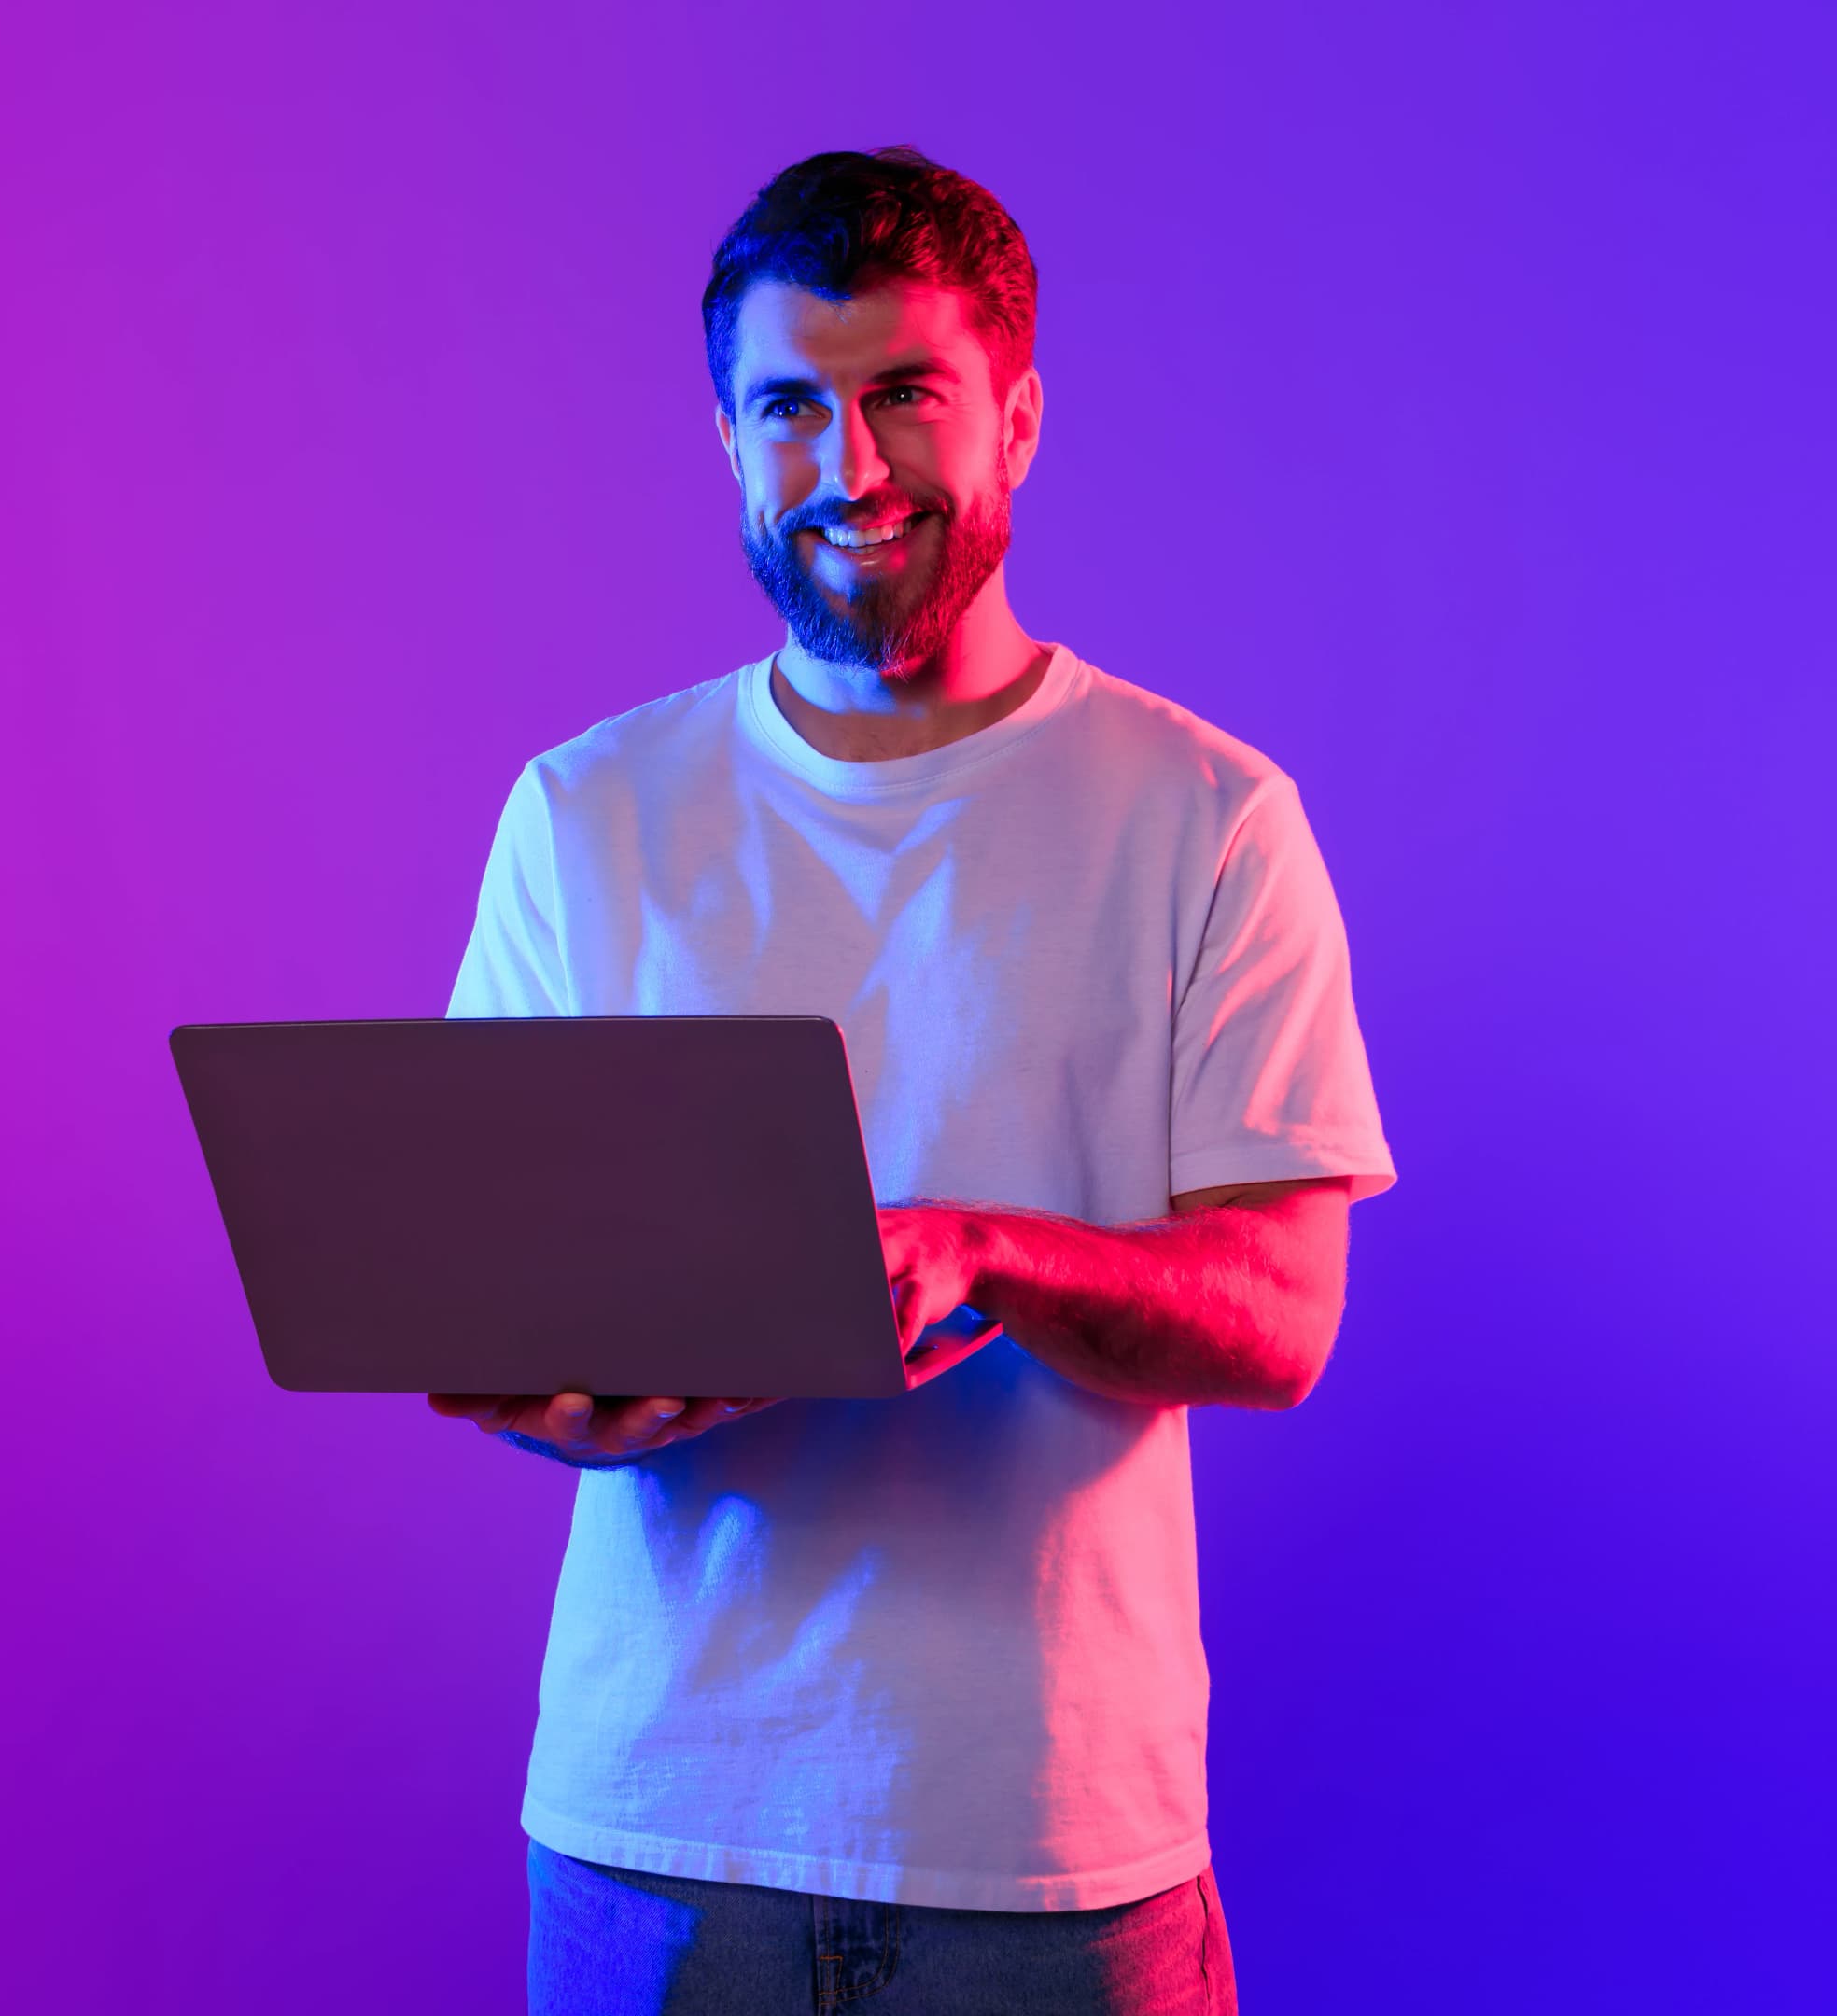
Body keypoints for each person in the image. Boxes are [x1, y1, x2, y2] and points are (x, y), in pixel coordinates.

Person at [427, 148, 1394, 2015]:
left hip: (1052, 1852)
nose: (851, 469)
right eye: (793, 408)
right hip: (657, 1831)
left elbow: (1283, 1318)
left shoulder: (1208, 818)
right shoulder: (586, 813)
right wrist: (567, 1405)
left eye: (906, 397)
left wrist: (987, 1256)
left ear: (1015, 418)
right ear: (730, 440)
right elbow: (503, 1302)